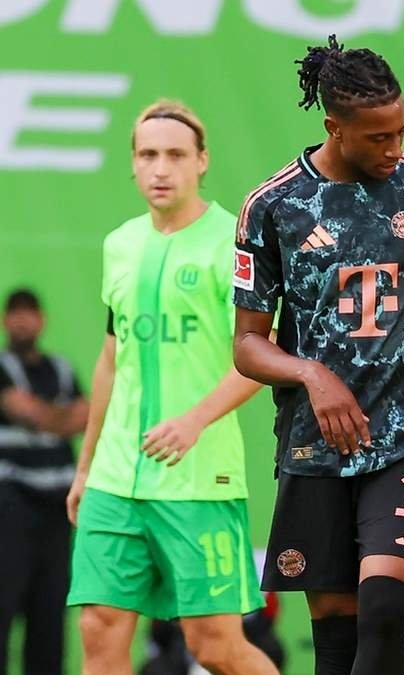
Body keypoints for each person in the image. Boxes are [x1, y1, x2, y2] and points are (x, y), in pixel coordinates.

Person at [232, 36, 404, 675]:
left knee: (383, 614)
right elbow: (247, 344)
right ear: (334, 128)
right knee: (336, 637)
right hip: (314, 446)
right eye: (378, 138)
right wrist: (311, 373)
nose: (394, 148)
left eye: (401, 131)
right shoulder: (274, 206)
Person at [65, 100, 276, 675]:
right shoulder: (120, 244)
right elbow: (111, 360)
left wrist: (194, 420)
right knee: (98, 629)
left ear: (202, 161)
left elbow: (260, 355)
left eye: (176, 155)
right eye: (148, 155)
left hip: (198, 482)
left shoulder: (232, 242)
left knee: (214, 646)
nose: (161, 169)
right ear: (133, 163)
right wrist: (85, 468)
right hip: (115, 480)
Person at [0, 288, 87, 675]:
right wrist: (60, 417)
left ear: (42, 320)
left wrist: (45, 415)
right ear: (6, 320)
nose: (22, 319)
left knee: (50, 614)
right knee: (3, 605)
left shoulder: (62, 368)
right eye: (15, 312)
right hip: (11, 507)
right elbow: (27, 413)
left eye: (29, 312)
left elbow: (84, 416)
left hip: (56, 510)